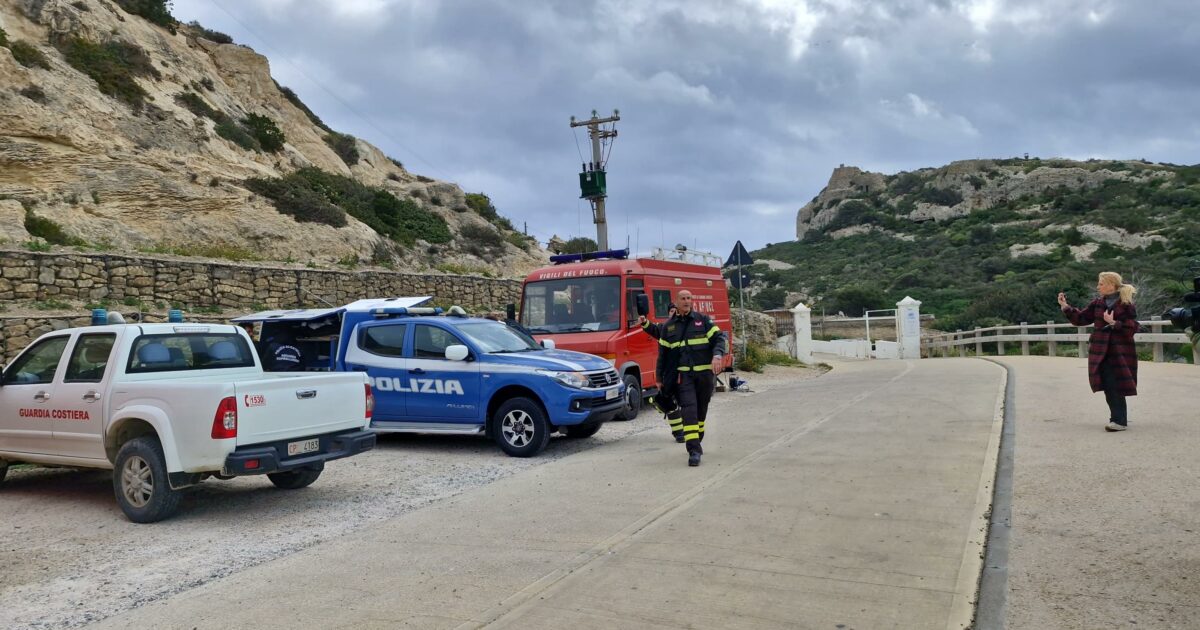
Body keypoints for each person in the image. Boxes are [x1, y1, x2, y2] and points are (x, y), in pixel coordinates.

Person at [639, 290, 728, 466]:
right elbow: (662, 355)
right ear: (676, 302)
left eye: (689, 298)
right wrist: (659, 377)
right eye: (683, 298)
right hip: (683, 377)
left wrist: (717, 356)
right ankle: (693, 450)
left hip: (704, 377)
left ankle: (697, 438)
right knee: (689, 411)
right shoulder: (669, 327)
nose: (687, 301)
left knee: (700, 413)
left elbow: (719, 338)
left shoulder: (703, 320)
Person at [1058, 272, 1138, 431]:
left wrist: (1114, 323)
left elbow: (1133, 327)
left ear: (1111, 285)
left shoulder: (1126, 304)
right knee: (1109, 384)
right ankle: (1117, 419)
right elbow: (1080, 319)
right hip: (1101, 351)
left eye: (1101, 283)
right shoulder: (1097, 303)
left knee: (1116, 385)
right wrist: (1065, 307)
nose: (1098, 286)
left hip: (1120, 352)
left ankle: (1119, 421)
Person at [645, 303, 685, 442]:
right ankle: (678, 433)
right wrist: (644, 323)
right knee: (669, 404)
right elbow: (654, 330)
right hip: (669, 374)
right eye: (672, 311)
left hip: (685, 373)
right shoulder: (665, 327)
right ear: (668, 313)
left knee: (686, 403)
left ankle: (688, 429)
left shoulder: (685, 327)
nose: (674, 313)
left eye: (676, 311)